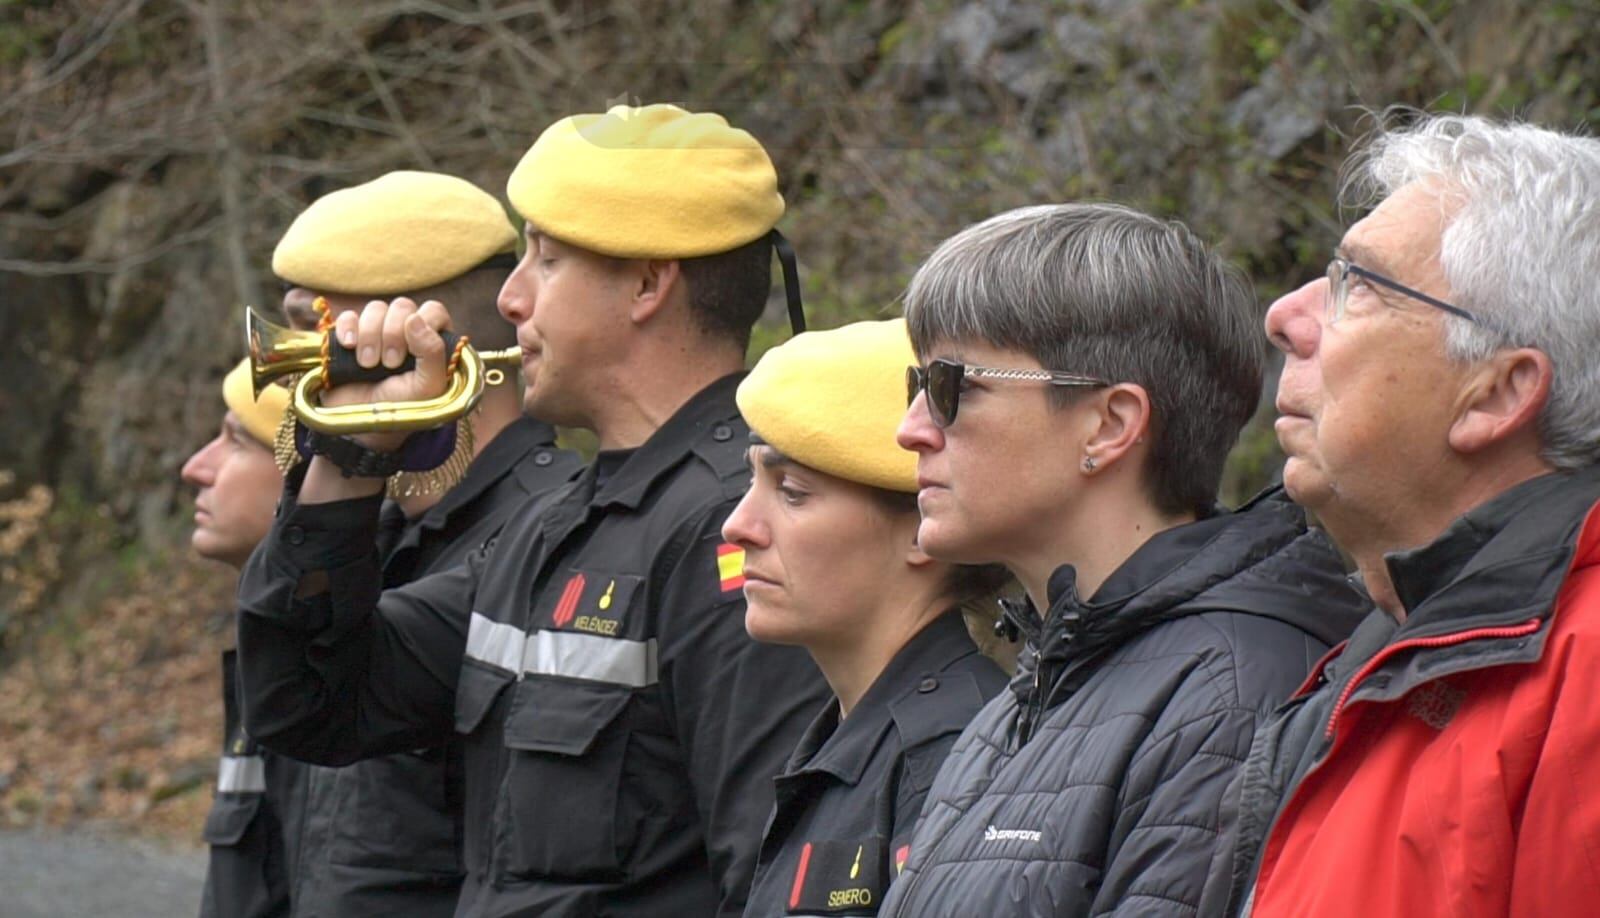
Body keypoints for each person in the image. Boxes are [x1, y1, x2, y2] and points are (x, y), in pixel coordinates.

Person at [235, 103, 831, 916]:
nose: (510, 301)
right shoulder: (555, 527)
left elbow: (769, 875)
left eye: (544, 262)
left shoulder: (742, 526)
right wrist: (352, 451)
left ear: (649, 283)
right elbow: (307, 705)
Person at [874, 203, 1370, 916]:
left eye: (954, 387)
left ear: (1109, 426)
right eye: (915, 388)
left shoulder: (1234, 695)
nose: (909, 430)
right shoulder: (1027, 701)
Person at [1204, 114, 1600, 917]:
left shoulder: (1582, 677)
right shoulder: (1375, 658)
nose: (1286, 314)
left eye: (1362, 285)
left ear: (1496, 392)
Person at [259, 170, 583, 916]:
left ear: (400, 341)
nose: (289, 370)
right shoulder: (362, 525)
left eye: (314, 337)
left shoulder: (555, 529)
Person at [723, 319, 1009, 917]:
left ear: (922, 528)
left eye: (793, 492)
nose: (738, 526)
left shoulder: (953, 757)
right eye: (752, 482)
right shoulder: (858, 732)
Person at [183, 359, 305, 918]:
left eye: (235, 441)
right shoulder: (278, 649)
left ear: (306, 476)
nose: (194, 468)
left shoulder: (337, 671)